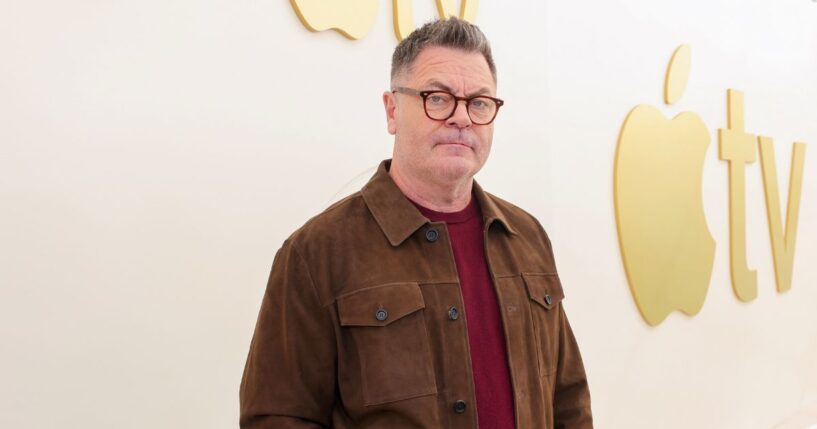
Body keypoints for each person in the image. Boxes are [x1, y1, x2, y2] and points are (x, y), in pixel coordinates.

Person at [240, 17, 592, 429]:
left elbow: (568, 399)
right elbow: (278, 418)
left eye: (479, 102)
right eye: (438, 97)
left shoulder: (526, 236)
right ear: (392, 110)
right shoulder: (316, 253)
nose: (462, 118)